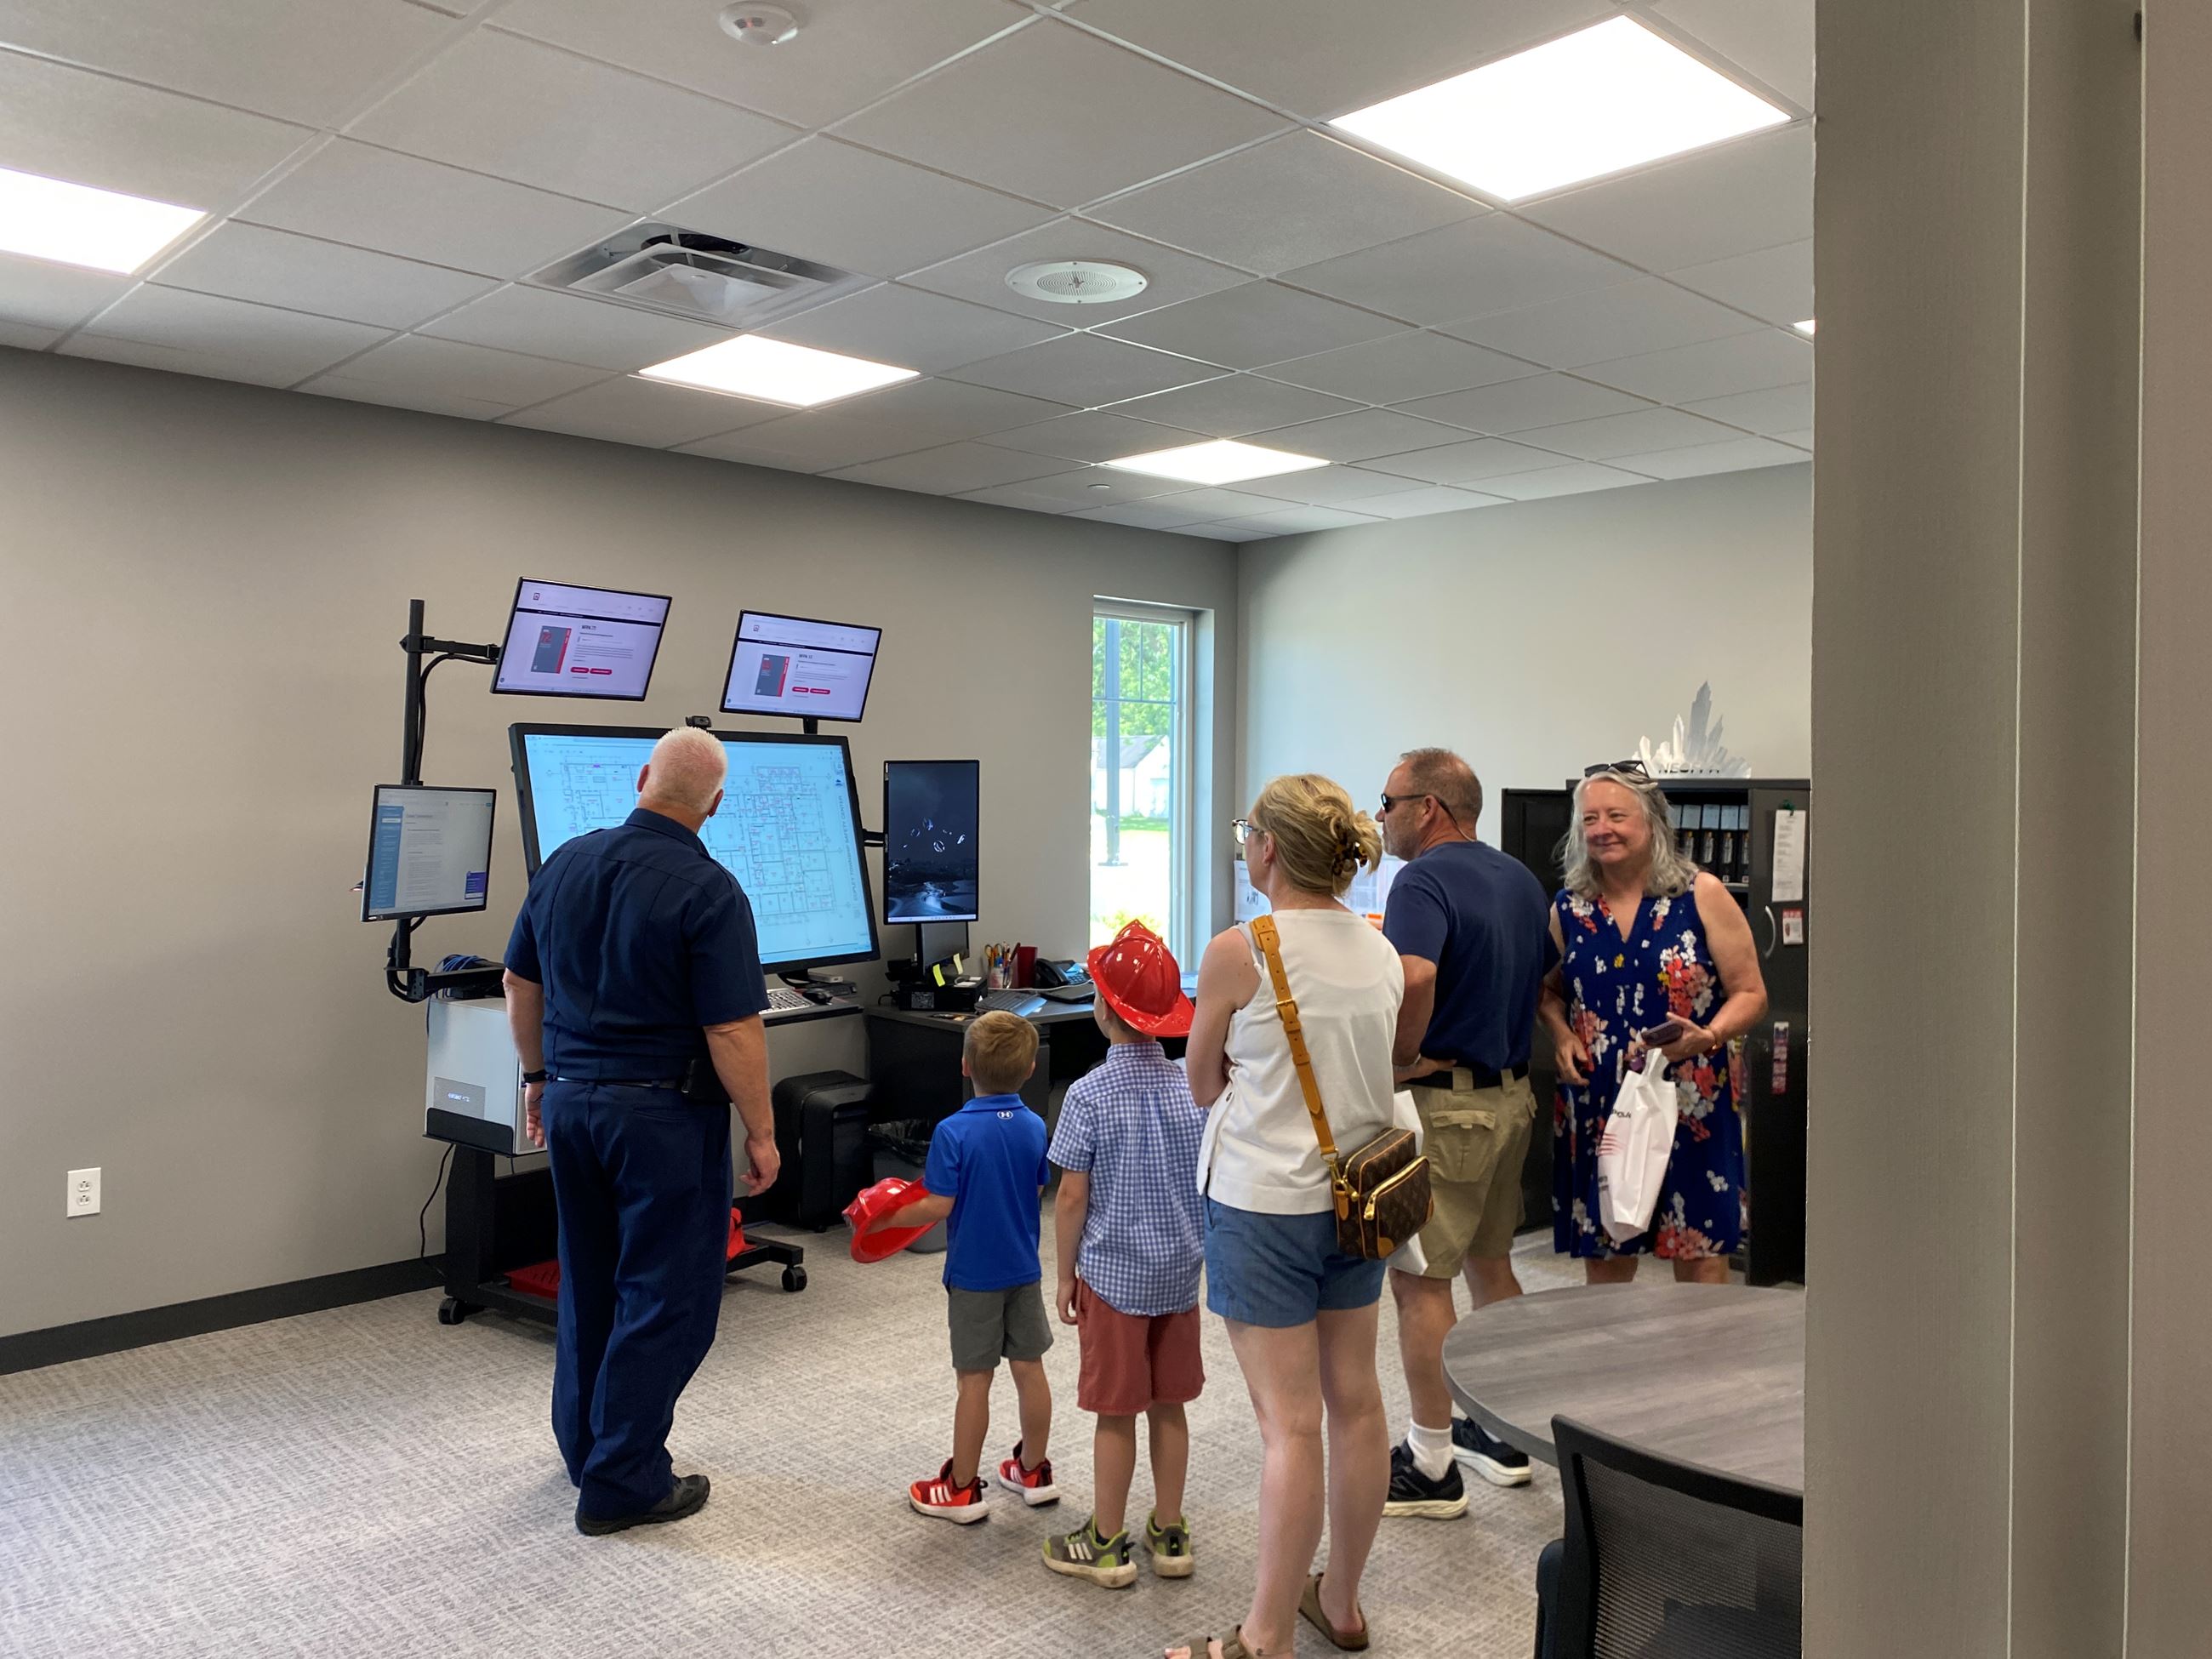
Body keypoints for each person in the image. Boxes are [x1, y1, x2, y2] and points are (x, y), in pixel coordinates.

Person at [500, 726, 780, 1537]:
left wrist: (538, 1078)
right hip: (660, 1116)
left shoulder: (566, 862)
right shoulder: (710, 890)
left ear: (640, 779)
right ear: (716, 804)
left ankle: (587, 1449)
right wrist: (761, 1134)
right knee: (668, 1295)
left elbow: (522, 980)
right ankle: (624, 1481)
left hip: (574, 1106)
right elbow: (733, 1030)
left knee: (589, 1279)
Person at [1171, 774, 1402, 1659]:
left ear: (1265, 847)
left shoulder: (1242, 949)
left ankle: (1263, 1637)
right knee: (1356, 1405)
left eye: (1246, 833)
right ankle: (1337, 1603)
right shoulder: (1377, 946)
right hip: (1360, 1199)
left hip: (1264, 1205)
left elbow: (1199, 1082)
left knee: (1289, 1426)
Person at [1375, 748, 1554, 1518]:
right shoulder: (1519, 878)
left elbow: (1414, 977)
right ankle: (1501, 1433)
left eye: (1388, 800)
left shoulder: (1420, 878)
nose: (1380, 815)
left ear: (1430, 808)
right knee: (1491, 1268)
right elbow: (1547, 972)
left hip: (1449, 1110)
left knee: (1420, 1281)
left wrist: (1399, 1058)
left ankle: (1431, 1460)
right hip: (1512, 1099)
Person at [1542, 763, 1769, 1281]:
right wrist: (1559, 1034)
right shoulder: (1569, 908)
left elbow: (1751, 994)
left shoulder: (1702, 894)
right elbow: (1547, 990)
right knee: (1607, 1258)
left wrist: (1708, 1035)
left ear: (1652, 823)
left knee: (1700, 1254)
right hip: (1601, 1100)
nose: (1603, 829)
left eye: (1617, 815)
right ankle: (1617, 1364)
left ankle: (1701, 1363)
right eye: (1591, 818)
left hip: (1689, 1096)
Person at [1045, 921, 1206, 1589]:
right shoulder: (1190, 1088)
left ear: (1102, 1010)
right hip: (1179, 1273)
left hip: (1112, 1276)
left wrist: (1065, 1275)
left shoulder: (1086, 1095)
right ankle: (1169, 1532)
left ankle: (1106, 1541)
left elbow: (1070, 1200)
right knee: (1170, 1404)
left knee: (1117, 1412)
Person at [882, 1010, 1058, 1524]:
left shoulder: (953, 1132)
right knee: (1030, 1369)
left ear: (964, 1066)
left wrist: (886, 1214)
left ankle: (960, 1487)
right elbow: (1037, 1188)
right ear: (1029, 1069)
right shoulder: (1032, 1125)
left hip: (974, 1279)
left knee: (974, 1381)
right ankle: (1032, 1469)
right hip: (1024, 1271)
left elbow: (937, 1206)